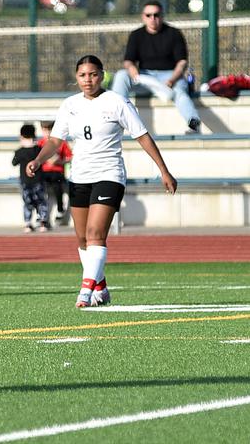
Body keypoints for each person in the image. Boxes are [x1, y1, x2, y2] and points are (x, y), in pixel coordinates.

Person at [27, 55, 177, 308]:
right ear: (76, 78)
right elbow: (55, 140)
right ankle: (102, 288)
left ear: (102, 75)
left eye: (94, 74)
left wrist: (164, 171)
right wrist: (39, 160)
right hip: (79, 177)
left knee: (96, 234)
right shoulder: (70, 105)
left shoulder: (116, 102)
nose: (88, 80)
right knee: (82, 239)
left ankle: (85, 291)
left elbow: (142, 135)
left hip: (109, 175)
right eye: (83, 75)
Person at [110, 0, 202, 133]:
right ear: (143, 17)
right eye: (148, 15)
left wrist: (172, 80)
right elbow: (128, 61)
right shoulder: (136, 35)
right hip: (145, 78)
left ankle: (193, 122)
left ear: (162, 16)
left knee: (180, 92)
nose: (153, 18)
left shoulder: (174, 34)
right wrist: (133, 71)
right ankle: (115, 119)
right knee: (121, 75)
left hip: (170, 76)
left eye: (156, 15)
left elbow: (182, 62)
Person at [12, 124, 49, 233]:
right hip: (38, 180)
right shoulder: (38, 149)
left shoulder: (19, 151)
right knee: (41, 201)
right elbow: (44, 160)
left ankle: (28, 223)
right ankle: (42, 222)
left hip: (25, 181)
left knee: (28, 202)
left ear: (21, 136)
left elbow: (14, 162)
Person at [38, 120, 72, 224]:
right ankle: (41, 213)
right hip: (44, 172)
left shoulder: (62, 143)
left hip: (57, 171)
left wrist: (60, 161)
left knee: (57, 185)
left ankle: (60, 209)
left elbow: (70, 157)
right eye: (45, 130)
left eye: (49, 130)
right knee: (38, 188)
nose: (47, 133)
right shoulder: (40, 143)